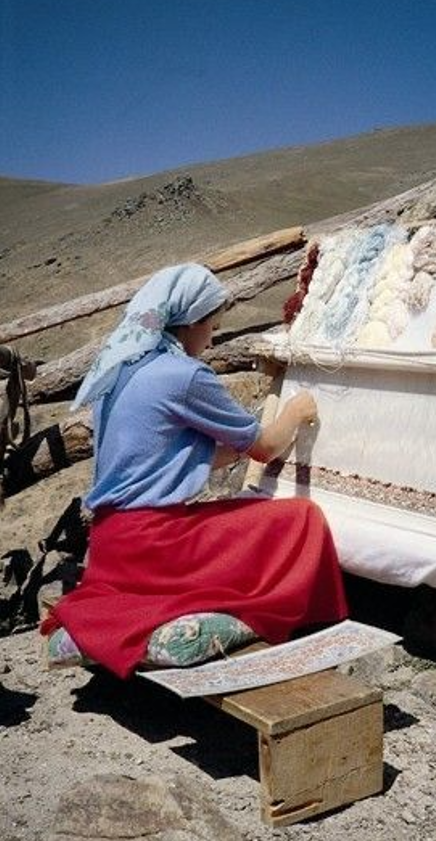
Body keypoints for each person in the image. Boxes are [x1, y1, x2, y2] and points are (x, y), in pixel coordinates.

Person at [41, 263, 348, 678]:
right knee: (301, 518)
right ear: (191, 322)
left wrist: (235, 448)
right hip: (157, 547)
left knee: (239, 513)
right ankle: (311, 622)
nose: (212, 339)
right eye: (212, 327)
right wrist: (296, 410)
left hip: (111, 548)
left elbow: (169, 458)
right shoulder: (183, 376)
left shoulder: (122, 370)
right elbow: (266, 447)